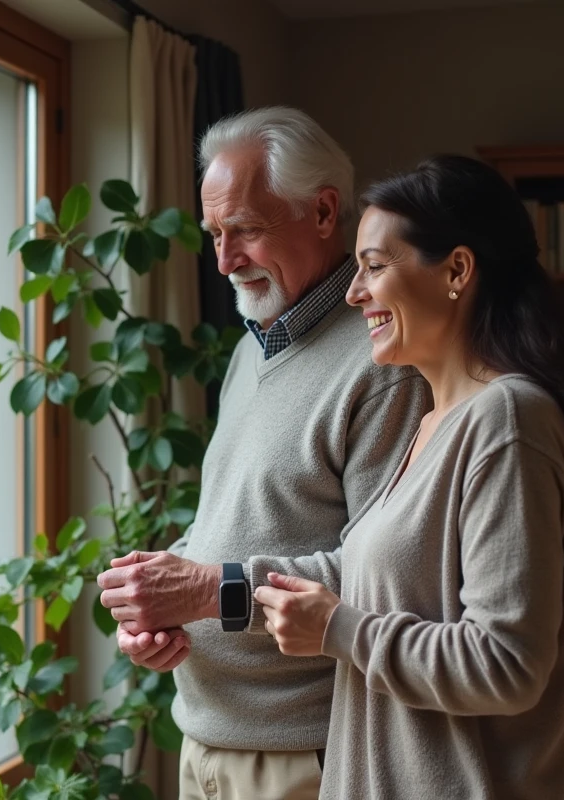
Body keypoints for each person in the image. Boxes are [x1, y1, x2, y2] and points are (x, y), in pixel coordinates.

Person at [252, 154, 564, 799]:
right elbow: (381, 583)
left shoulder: (507, 421)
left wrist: (338, 630)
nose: (354, 293)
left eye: (374, 266)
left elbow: (506, 665)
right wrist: (216, 592)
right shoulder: (433, 421)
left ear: (456, 270)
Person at [95, 107, 430, 800]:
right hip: (204, 739)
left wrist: (203, 591)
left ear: (324, 211)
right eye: (214, 234)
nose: (224, 260)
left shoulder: (384, 362)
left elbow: (389, 574)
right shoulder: (251, 349)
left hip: (304, 752)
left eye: (245, 229)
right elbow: (228, 526)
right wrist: (161, 604)